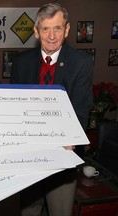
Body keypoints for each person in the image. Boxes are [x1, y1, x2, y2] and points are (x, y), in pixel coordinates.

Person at [10, 3, 93, 216]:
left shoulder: (81, 63)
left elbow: (81, 109)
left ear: (66, 30)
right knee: (28, 212)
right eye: (46, 29)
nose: (52, 35)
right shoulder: (21, 62)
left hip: (64, 156)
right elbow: (15, 108)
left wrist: (69, 139)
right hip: (30, 157)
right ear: (36, 32)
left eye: (57, 28)